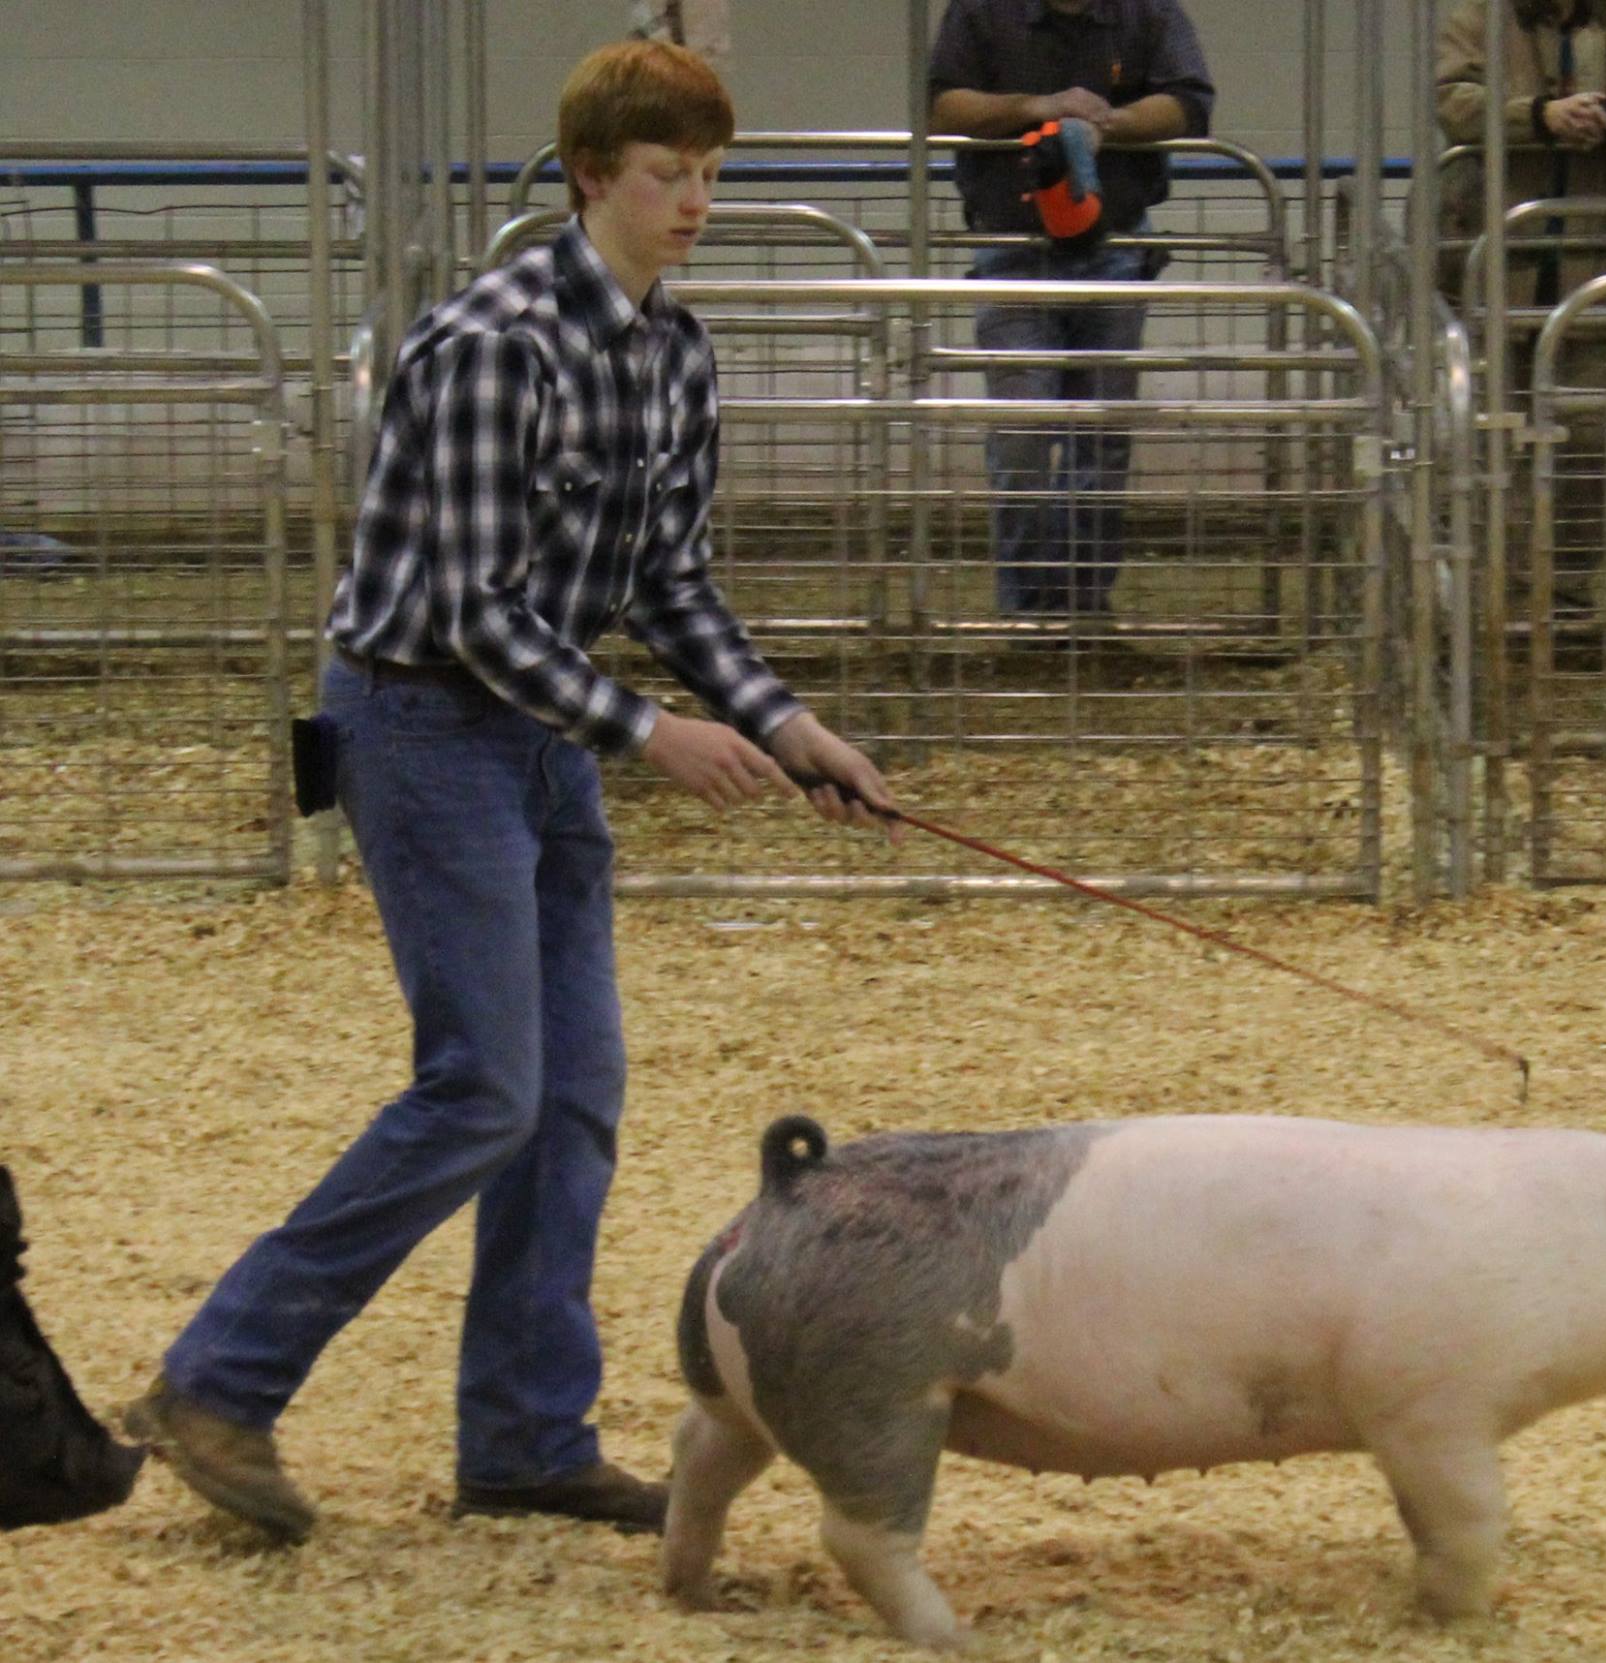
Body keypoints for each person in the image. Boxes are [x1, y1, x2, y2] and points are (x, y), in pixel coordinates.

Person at [122, 40, 899, 1543]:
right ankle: (219, 1375)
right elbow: (473, 605)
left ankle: (524, 1435)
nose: (697, 204)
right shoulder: (494, 341)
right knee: (483, 1083)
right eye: (670, 176)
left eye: (713, 176)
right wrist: (650, 733)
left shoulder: (675, 351)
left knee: (571, 1098)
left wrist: (788, 721)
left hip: (535, 738)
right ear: (593, 177)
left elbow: (671, 578)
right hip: (419, 724)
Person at [929, 0, 1215, 623]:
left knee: (1100, 438)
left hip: (1115, 246)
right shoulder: (980, 12)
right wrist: (1039, 107)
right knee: (1024, 433)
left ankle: (1083, 606)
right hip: (1010, 245)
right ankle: (1032, 610)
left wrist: (1105, 122)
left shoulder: (1149, 13)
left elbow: (1190, 102)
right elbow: (945, 103)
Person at [1436, 0, 1606, 612]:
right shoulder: (1479, 17)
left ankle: (1567, 589)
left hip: (1592, 255)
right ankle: (1483, 586)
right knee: (1485, 430)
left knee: (1582, 435)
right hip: (1491, 256)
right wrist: (1537, 116)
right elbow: (1451, 99)